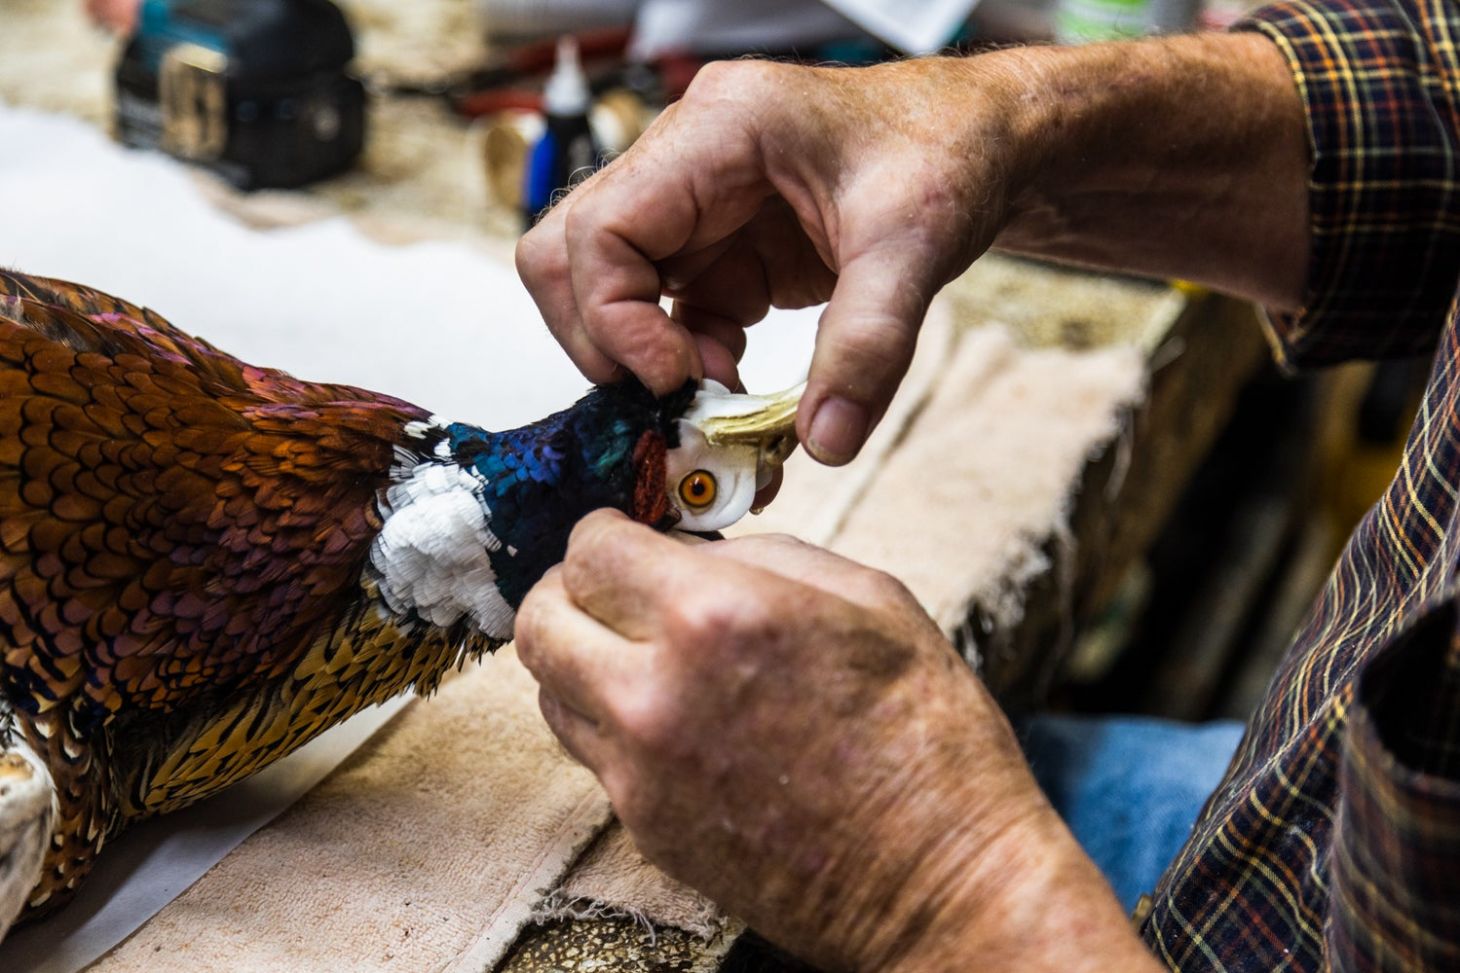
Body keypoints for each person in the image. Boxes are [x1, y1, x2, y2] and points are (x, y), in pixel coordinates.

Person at [511, 0, 1460, 968]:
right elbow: (1435, 113)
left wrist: (941, 890)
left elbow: (936, 873)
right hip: (1319, 818)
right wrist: (999, 125)